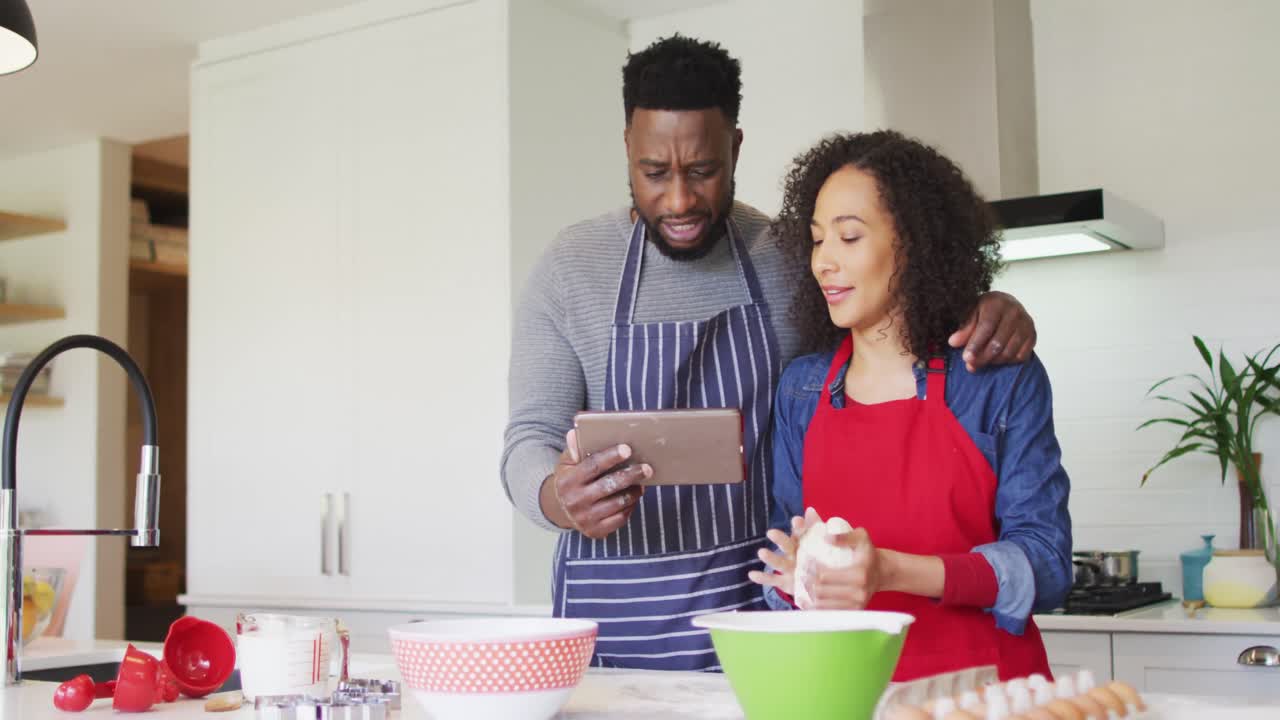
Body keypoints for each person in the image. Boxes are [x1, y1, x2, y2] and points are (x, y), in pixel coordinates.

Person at [502, 36, 1039, 672]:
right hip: (615, 625)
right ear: (627, 148)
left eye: (701, 171)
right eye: (654, 173)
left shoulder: (789, 255)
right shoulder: (571, 267)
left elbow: (896, 310)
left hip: (758, 618)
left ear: (734, 147)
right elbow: (528, 439)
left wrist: (987, 304)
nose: (678, 199)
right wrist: (556, 497)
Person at [747, 130, 1072, 681]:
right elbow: (789, 561)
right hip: (847, 693)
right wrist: (798, 580)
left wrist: (891, 571)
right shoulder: (801, 389)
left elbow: (1047, 564)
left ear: (915, 244)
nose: (824, 261)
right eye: (817, 239)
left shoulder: (993, 380)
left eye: (849, 238)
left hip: (985, 694)